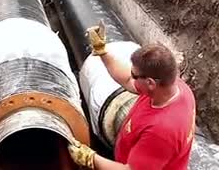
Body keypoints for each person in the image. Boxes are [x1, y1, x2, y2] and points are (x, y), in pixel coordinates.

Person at [68, 22, 196, 170]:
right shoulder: (174, 87)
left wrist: (91, 159)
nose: (131, 77)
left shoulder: (161, 132)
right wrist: (102, 51)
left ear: (150, 83)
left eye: (135, 75)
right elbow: (127, 80)